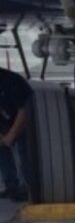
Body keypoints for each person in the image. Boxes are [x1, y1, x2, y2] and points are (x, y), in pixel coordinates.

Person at [0, 66, 32, 201]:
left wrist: (11, 135)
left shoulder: (11, 81)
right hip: (4, 118)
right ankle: (11, 186)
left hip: (25, 117)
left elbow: (23, 111)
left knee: (23, 150)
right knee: (1, 148)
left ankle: (28, 188)